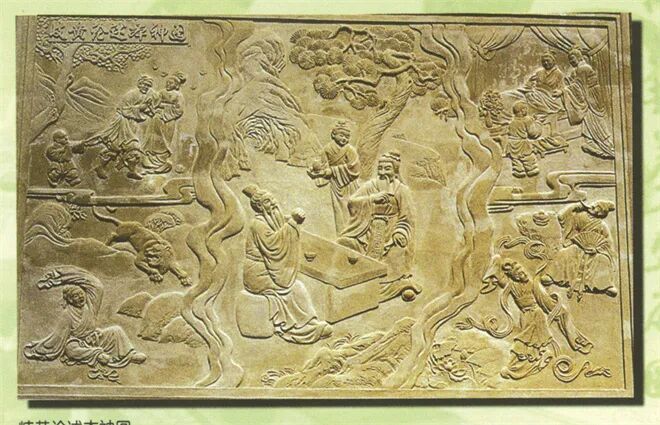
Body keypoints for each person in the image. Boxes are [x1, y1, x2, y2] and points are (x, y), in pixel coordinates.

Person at [242, 184, 332, 344]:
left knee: (297, 287)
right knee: (294, 288)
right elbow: (274, 245)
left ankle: (310, 323)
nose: (273, 203)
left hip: (268, 271)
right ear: (260, 207)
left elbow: (282, 224)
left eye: (272, 199)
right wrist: (292, 223)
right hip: (258, 274)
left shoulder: (271, 218)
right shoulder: (258, 224)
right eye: (268, 201)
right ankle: (301, 328)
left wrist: (295, 219)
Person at [480, 257, 593, 380]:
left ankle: (516, 367)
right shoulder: (512, 285)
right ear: (515, 277)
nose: (524, 274)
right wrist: (497, 261)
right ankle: (528, 364)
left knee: (525, 342)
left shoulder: (533, 284)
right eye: (520, 274)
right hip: (525, 316)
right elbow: (497, 274)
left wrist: (556, 307)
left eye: (523, 272)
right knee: (529, 343)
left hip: (537, 316)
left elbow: (544, 300)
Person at [23, 266, 146, 371]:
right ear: (70, 300)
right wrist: (40, 348)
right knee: (70, 350)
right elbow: (58, 337)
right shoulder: (67, 314)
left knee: (116, 330)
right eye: (76, 296)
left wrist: (61, 277)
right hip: (78, 343)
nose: (80, 297)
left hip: (95, 338)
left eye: (81, 294)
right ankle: (98, 355)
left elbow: (96, 285)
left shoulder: (90, 305)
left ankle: (129, 354)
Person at [338, 150, 414, 280]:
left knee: (397, 255)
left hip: (390, 233)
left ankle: (389, 283)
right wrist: (372, 198)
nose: (383, 172)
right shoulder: (370, 186)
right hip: (366, 230)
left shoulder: (402, 190)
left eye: (387, 168)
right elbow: (352, 202)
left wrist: (400, 233)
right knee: (345, 245)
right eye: (380, 168)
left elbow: (407, 217)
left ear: (395, 170)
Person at [88, 75, 159, 180]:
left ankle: (128, 170)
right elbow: (124, 110)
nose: (146, 87)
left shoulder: (145, 96)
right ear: (139, 84)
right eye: (144, 84)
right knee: (127, 148)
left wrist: (150, 110)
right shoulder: (131, 94)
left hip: (131, 125)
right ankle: (106, 167)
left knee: (122, 149)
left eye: (148, 86)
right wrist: (140, 108)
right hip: (121, 124)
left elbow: (145, 110)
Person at [544, 200, 618, 300]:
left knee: (603, 260)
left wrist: (597, 249)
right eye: (594, 204)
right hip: (577, 246)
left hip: (594, 251)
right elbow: (561, 216)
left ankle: (606, 285)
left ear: (601, 213)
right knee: (564, 253)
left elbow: (608, 242)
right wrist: (576, 206)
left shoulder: (602, 225)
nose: (593, 206)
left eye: (597, 207)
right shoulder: (580, 217)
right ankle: (552, 276)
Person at [560, 47, 614, 159]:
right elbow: (577, 83)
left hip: (591, 97)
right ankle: (590, 140)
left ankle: (607, 144)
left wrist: (564, 91)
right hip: (590, 94)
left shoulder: (583, 68)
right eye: (570, 60)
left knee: (595, 119)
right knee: (588, 118)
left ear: (578, 57)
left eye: (572, 58)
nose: (571, 61)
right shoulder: (580, 68)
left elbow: (579, 85)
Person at [307, 122, 361, 234]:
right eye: (341, 135)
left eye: (347, 137)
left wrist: (333, 171)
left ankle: (354, 230)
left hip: (349, 182)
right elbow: (322, 163)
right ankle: (342, 232)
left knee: (352, 206)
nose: (344, 139)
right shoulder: (327, 149)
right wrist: (316, 169)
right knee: (338, 208)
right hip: (335, 184)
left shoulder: (350, 150)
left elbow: (355, 168)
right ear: (333, 135)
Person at [504, 101, 567, 179]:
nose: (527, 110)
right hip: (522, 145)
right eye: (525, 108)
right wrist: (538, 122)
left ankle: (518, 170)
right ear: (522, 110)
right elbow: (534, 134)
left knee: (516, 160)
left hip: (511, 144)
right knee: (528, 158)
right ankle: (531, 169)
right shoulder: (526, 120)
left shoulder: (512, 122)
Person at [142, 72, 187, 174]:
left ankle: (161, 163)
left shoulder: (178, 95)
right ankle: (150, 162)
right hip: (156, 120)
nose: (168, 85)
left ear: (176, 85)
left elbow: (179, 110)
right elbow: (154, 102)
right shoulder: (162, 92)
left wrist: (164, 111)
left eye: (171, 83)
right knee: (153, 140)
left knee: (164, 141)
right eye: (167, 82)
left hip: (168, 121)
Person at [514, 51, 565, 118]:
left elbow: (562, 87)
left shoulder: (558, 74)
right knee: (527, 95)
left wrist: (560, 91)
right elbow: (531, 84)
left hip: (549, 95)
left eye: (548, 61)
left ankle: (546, 111)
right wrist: (530, 81)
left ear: (553, 61)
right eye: (543, 61)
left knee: (531, 95)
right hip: (537, 92)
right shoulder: (539, 72)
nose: (546, 63)